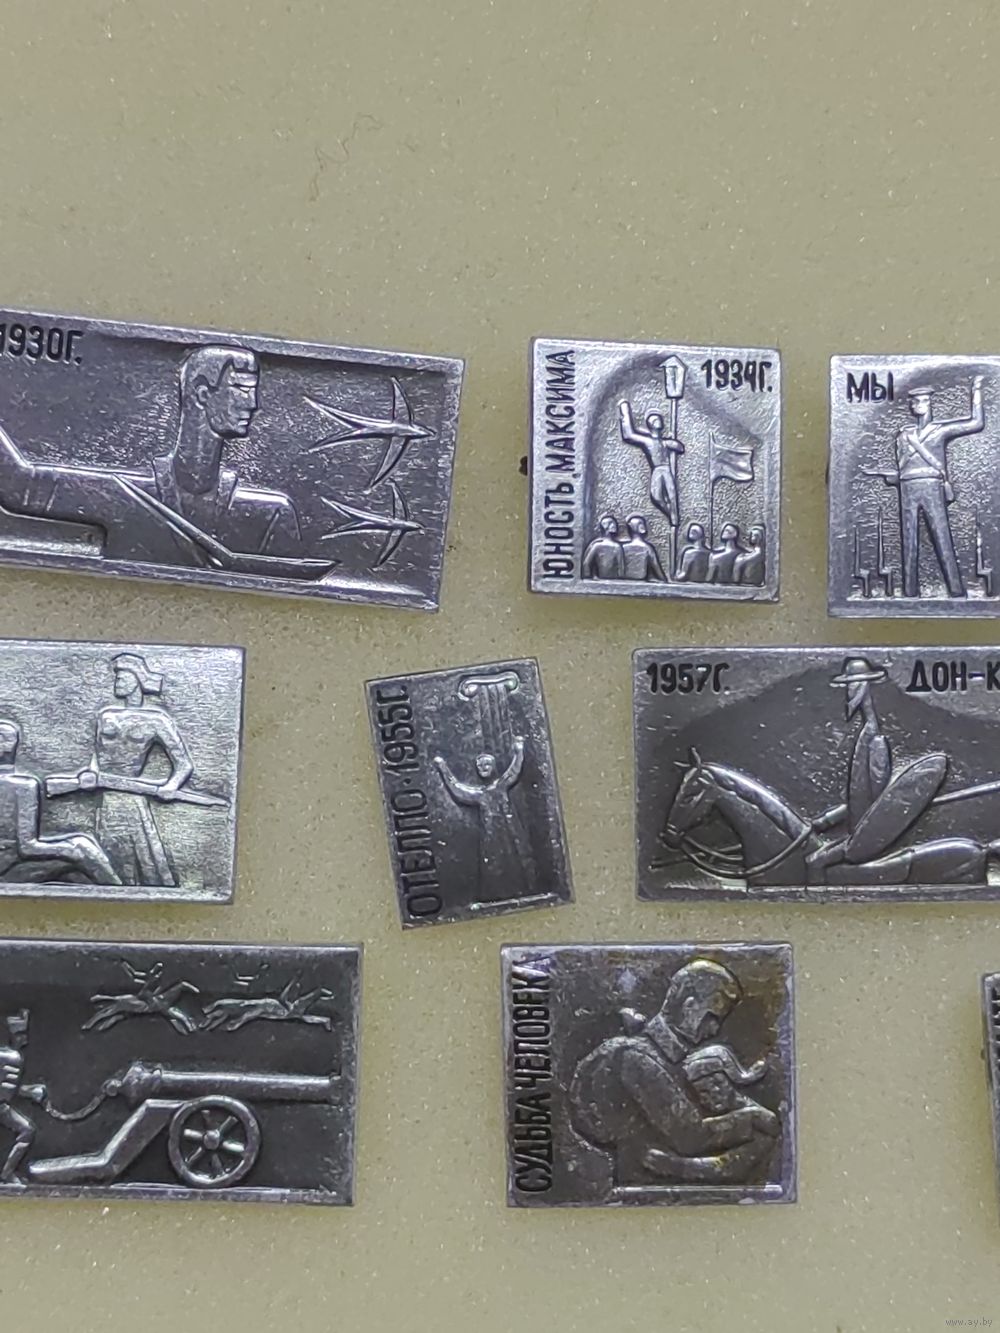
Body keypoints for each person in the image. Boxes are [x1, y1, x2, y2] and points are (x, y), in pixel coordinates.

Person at [0, 345, 302, 566]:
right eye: (241, 389)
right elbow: (21, 486)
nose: (253, 404)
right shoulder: (119, 494)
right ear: (202, 394)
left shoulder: (272, 516)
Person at [568, 959, 772, 1185]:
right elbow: (690, 1137)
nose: (714, 1030)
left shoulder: (667, 1059)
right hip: (638, 1187)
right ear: (689, 1007)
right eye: (712, 1017)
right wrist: (754, 1119)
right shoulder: (634, 1057)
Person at [805, 656, 946, 879]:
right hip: (857, 832)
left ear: (862, 688)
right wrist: (826, 821)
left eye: (852, 685)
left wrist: (828, 821)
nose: (849, 691)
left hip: (867, 837)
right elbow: (860, 801)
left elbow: (876, 804)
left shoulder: (875, 742)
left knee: (815, 863)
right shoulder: (866, 735)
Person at [79, 654, 195, 887]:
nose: (117, 682)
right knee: (109, 854)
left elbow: (184, 764)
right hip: (106, 799)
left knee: (144, 859)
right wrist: (90, 773)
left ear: (138, 681)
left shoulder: (156, 719)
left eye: (123, 678)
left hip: (134, 799)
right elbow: (96, 756)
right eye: (117, 678)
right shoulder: (106, 716)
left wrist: (171, 785)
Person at [891, 377, 984, 597]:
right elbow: (902, 466)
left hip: (932, 485)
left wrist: (976, 391)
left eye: (923, 401)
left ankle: (956, 590)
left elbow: (976, 423)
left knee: (942, 537)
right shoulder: (905, 435)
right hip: (907, 486)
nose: (918, 405)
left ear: (930, 403)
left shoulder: (939, 431)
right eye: (915, 402)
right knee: (908, 540)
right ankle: (909, 593)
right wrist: (893, 477)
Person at [0, 719, 119, 885]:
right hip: (9, 869)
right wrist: (69, 849)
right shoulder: (23, 785)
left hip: (10, 866)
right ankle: (122, 891)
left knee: (75, 873)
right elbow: (26, 847)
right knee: (81, 847)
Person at [642, 1044, 779, 1182]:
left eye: (708, 1090)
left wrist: (675, 1165)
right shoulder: (736, 1121)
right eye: (701, 1093)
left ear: (724, 1082)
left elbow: (731, 1168)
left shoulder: (762, 1123)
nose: (705, 1099)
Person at [433, 740, 532, 901]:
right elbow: (457, 789)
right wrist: (443, 768)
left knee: (514, 856)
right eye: (480, 766)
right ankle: (495, 894)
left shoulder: (501, 785)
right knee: (492, 861)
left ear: (493, 766)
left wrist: (519, 751)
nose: (483, 768)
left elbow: (514, 770)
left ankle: (521, 889)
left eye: (486, 764)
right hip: (491, 836)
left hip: (509, 831)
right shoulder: (479, 794)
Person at [618, 401, 684, 527]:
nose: (658, 421)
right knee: (656, 497)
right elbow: (628, 435)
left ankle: (675, 518)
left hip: (666, 469)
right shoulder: (647, 441)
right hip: (657, 470)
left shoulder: (665, 442)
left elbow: (680, 448)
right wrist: (624, 412)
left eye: (659, 419)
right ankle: (670, 513)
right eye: (655, 420)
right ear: (650, 424)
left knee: (672, 495)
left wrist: (675, 444)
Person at [0, 1011, 43, 1183]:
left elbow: (9, 1088)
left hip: (2, 1107)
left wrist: (30, 1092)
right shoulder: (7, 1057)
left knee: (27, 1130)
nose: (24, 1039)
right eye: (20, 1034)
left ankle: (7, 1174)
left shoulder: (15, 1057)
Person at [621, 514, 666, 582]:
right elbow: (658, 572)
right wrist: (663, 580)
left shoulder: (623, 547)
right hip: (641, 582)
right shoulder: (647, 548)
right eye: (641, 524)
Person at [581, 513, 625, 580]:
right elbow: (586, 563)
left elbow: (621, 569)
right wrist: (589, 578)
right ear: (605, 526)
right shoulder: (596, 545)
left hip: (613, 581)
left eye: (614, 523)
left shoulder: (617, 547)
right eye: (611, 523)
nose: (614, 525)